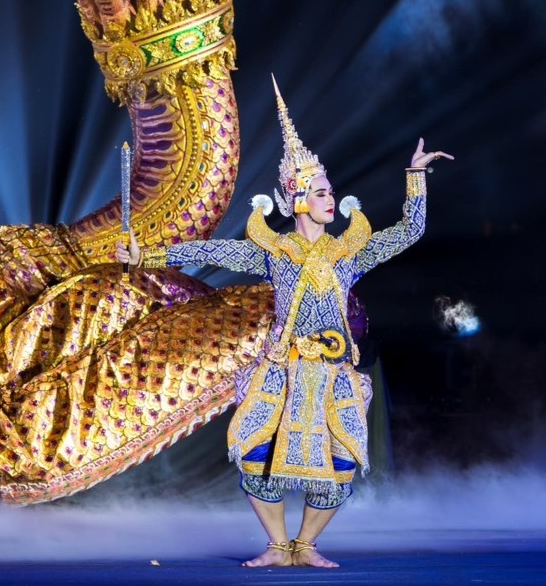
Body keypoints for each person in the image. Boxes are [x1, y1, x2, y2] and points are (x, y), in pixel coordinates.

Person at [119, 78, 452, 568]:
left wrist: (415, 176)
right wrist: (145, 256)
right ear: (298, 199)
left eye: (330, 191)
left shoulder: (348, 251)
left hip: (334, 372)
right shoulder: (275, 252)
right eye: (321, 192)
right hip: (281, 368)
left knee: (343, 462)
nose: (331, 198)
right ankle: (278, 545)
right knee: (252, 453)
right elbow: (214, 251)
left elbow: (410, 231)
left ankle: (306, 544)